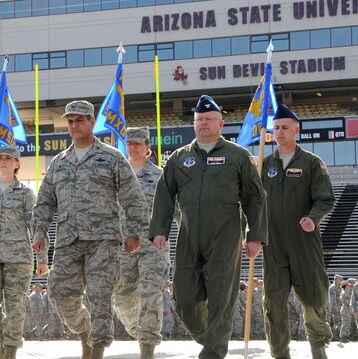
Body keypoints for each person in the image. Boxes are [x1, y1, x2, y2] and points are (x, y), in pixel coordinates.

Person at [149, 95, 267, 359]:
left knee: (221, 297)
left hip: (225, 236)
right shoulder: (179, 158)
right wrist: (160, 229)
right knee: (184, 300)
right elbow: (165, 194)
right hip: (189, 235)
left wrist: (255, 236)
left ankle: (213, 351)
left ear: (221, 123)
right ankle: (211, 336)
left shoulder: (238, 156)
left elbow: (255, 197)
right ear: (194, 124)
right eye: (199, 120)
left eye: (209, 119)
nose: (203, 123)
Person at [32, 100, 147, 359]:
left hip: (103, 240)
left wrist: (134, 232)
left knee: (100, 296)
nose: (74, 126)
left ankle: (96, 349)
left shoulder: (111, 157)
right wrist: (39, 233)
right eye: (70, 121)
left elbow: (133, 197)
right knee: (60, 296)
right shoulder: (59, 162)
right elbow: (45, 202)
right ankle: (85, 331)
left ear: (91, 122)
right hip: (67, 241)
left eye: (79, 120)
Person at [261, 104, 336, 358]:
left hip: (304, 242)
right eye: (276, 128)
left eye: (284, 127)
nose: (280, 132)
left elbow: (326, 198)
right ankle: (280, 353)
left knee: (314, 296)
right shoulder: (264, 164)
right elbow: (252, 202)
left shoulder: (312, 163)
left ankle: (317, 345)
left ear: (296, 130)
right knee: (274, 303)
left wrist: (313, 218)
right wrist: (251, 233)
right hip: (273, 245)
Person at [0, 146, 47, 359]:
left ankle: (9, 351)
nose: (3, 162)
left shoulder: (26, 193)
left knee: (15, 305)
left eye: (9, 159)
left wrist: (42, 259)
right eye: (0, 158)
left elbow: (35, 226)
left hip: (18, 257)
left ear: (17, 164)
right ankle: (5, 337)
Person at [112, 127, 169, 359]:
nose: (133, 147)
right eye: (130, 143)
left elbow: (174, 210)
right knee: (122, 301)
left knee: (149, 293)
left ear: (148, 148)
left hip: (152, 247)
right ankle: (141, 332)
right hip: (123, 248)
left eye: (138, 143)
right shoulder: (115, 177)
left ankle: (147, 346)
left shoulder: (160, 177)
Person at [328, 275, 344, 341]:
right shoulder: (333, 288)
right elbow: (332, 300)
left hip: (339, 307)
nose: (341, 282)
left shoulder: (338, 287)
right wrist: (335, 308)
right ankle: (335, 336)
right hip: (336, 308)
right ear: (336, 280)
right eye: (340, 280)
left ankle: (336, 335)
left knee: (339, 322)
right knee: (337, 322)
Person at [340, 279, 354, 343]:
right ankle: (343, 337)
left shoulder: (348, 292)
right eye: (348, 285)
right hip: (345, 310)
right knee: (345, 324)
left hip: (347, 310)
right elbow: (348, 302)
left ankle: (346, 336)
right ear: (345, 286)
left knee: (347, 323)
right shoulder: (345, 293)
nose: (350, 286)